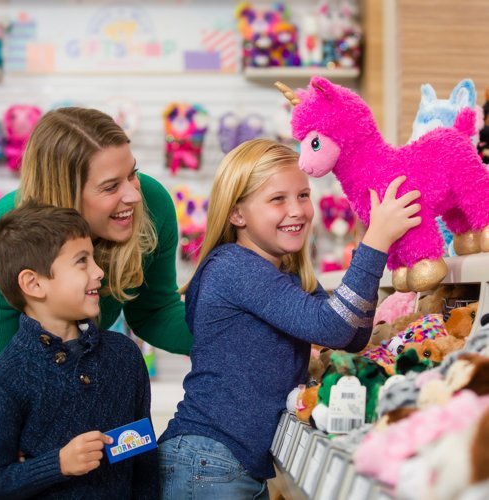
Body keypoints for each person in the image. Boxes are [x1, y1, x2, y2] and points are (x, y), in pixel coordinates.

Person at [156, 139, 422, 499]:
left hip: (225, 463)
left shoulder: (284, 273)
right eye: (278, 199)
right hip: (208, 460)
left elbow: (351, 335)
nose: (297, 210)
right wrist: (376, 244)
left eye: (303, 195)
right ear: (237, 214)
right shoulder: (233, 266)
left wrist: (366, 243)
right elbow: (334, 327)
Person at [0, 106, 192, 365]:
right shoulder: (4, 233)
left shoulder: (153, 204)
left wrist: (227, 335)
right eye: (110, 187)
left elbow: (155, 310)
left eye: (132, 174)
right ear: (64, 194)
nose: (134, 196)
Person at [0, 203, 157, 498]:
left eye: (93, 258)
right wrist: (57, 464)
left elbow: (145, 465)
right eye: (82, 261)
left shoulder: (125, 355)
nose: (99, 271)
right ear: (33, 283)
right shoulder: (5, 377)